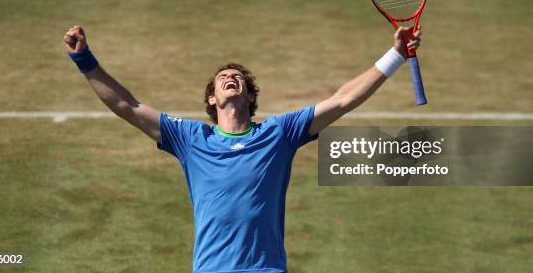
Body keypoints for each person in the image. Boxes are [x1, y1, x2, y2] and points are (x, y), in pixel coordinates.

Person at [63, 25, 421, 273]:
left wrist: (396, 55)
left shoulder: (279, 133)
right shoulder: (191, 139)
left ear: (249, 96)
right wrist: (85, 61)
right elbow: (129, 106)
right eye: (223, 78)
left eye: (239, 79)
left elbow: (344, 98)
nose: (230, 78)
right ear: (212, 98)